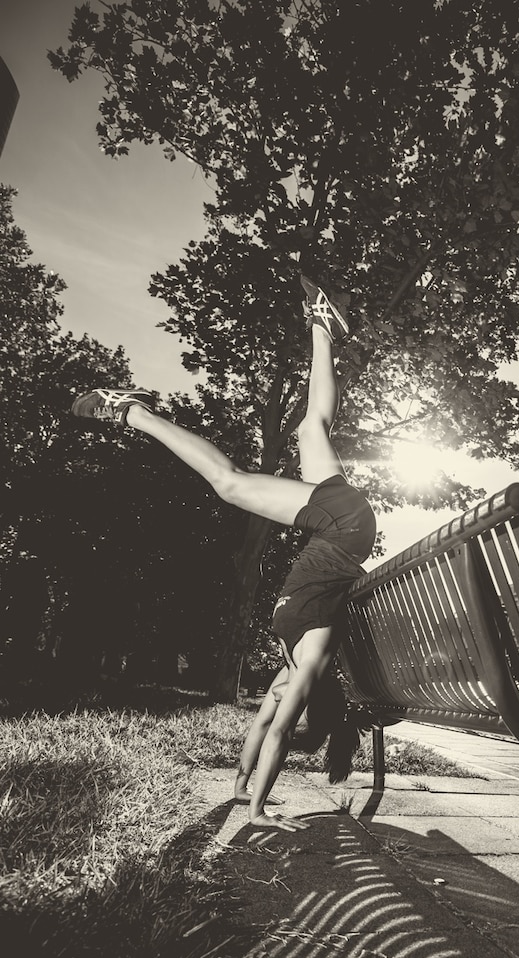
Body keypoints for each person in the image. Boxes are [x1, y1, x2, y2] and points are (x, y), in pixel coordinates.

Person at [71, 275, 377, 831]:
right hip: (339, 526)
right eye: (296, 704)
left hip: (341, 524)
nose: (283, 700)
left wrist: (240, 786)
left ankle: (321, 325)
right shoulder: (312, 661)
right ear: (312, 704)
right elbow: (281, 733)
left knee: (313, 423)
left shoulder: (293, 665)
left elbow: (264, 727)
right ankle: (130, 411)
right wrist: (259, 811)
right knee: (230, 484)